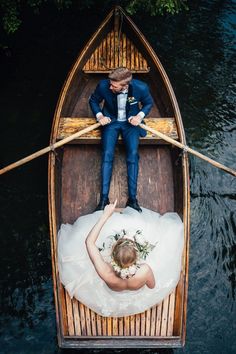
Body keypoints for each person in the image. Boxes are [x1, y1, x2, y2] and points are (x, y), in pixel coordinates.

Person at [58, 202, 184, 317]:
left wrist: (105, 215)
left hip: (113, 288)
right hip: (136, 286)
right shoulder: (144, 270)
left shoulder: (105, 271)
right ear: (136, 257)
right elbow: (152, 286)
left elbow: (89, 242)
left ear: (113, 256)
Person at [89, 67, 154, 212]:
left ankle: (132, 200)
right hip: (110, 121)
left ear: (125, 85)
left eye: (114, 85)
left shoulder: (141, 88)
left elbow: (149, 103)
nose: (110, 86)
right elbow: (93, 101)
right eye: (110, 84)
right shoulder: (103, 85)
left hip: (131, 123)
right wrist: (100, 116)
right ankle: (104, 199)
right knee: (106, 154)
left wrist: (139, 116)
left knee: (132, 155)